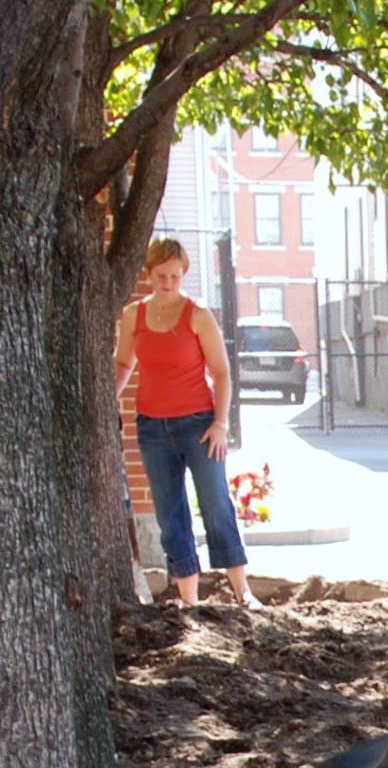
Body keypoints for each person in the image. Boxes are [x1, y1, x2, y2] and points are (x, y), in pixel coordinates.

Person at [113, 239, 256, 608]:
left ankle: (243, 591)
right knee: (169, 511)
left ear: (184, 273)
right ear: (148, 274)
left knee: (215, 503)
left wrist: (221, 423)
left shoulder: (197, 314)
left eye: (175, 275)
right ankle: (189, 601)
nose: (168, 282)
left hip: (199, 425)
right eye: (161, 275)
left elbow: (222, 373)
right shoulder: (134, 315)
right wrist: (110, 394)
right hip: (152, 428)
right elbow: (124, 363)